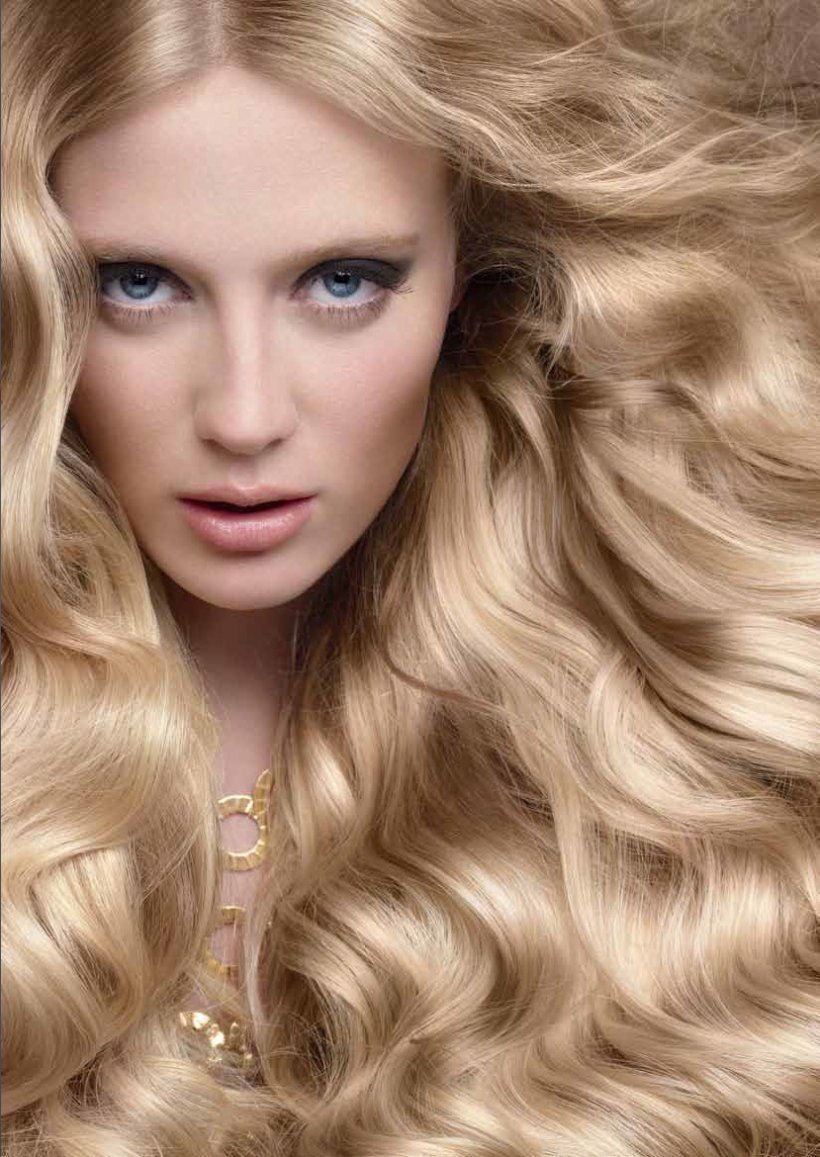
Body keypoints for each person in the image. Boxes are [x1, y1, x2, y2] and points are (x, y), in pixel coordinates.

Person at [2, 1, 817, 1155]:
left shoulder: (677, 768)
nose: (244, 414)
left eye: (342, 281)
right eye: (139, 283)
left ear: (469, 270)